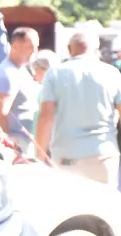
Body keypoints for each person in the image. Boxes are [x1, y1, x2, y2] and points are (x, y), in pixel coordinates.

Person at [36, 28, 121, 185]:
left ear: (69, 50)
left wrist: (39, 156)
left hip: (67, 158)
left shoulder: (54, 74)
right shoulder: (112, 73)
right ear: (96, 50)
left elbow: (46, 116)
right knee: (105, 207)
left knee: (71, 208)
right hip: (104, 156)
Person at [0, 27, 40, 155]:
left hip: (24, 139)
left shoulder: (19, 70)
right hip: (15, 142)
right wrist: (8, 144)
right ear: (16, 46)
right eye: (31, 46)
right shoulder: (7, 75)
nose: (35, 51)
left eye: (36, 46)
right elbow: (0, 113)